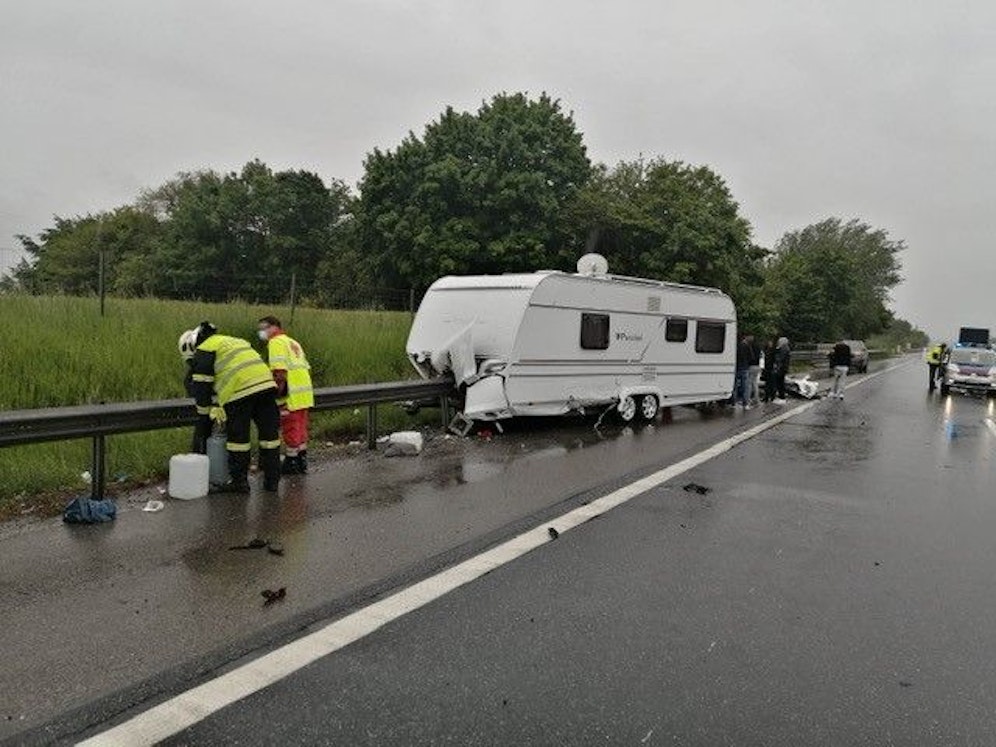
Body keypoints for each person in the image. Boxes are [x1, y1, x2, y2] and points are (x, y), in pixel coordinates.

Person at [178, 321, 282, 493]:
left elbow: (202, 387)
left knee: (238, 440)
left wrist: (204, 416)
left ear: (192, 347)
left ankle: (239, 482)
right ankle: (272, 481)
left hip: (240, 392)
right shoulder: (234, 341)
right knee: (269, 437)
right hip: (267, 386)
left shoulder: (205, 349)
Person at [257, 316, 315, 474]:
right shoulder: (292, 341)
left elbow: (279, 373)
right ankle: (302, 459)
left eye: (264, 327)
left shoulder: (275, 343)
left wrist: (277, 394)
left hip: (291, 393)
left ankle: (291, 461)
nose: (262, 332)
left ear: (275, 327)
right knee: (301, 427)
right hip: (304, 393)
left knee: (290, 427)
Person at [734, 334, 752, 408]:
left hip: (737, 367)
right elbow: (751, 357)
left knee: (735, 386)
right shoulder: (747, 346)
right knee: (745, 386)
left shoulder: (737, 346)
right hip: (745, 367)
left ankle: (734, 402)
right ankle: (745, 403)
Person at [771, 336, 791, 404]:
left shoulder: (783, 349)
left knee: (779, 382)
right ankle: (782, 396)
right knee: (781, 382)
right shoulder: (786, 348)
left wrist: (777, 368)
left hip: (781, 368)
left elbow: (780, 359)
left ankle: (781, 396)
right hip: (783, 368)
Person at [746, 334, 762, 406]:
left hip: (751, 366)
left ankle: (748, 399)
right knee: (755, 383)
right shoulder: (758, 347)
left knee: (749, 383)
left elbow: (749, 357)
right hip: (757, 366)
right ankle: (756, 399)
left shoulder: (749, 347)